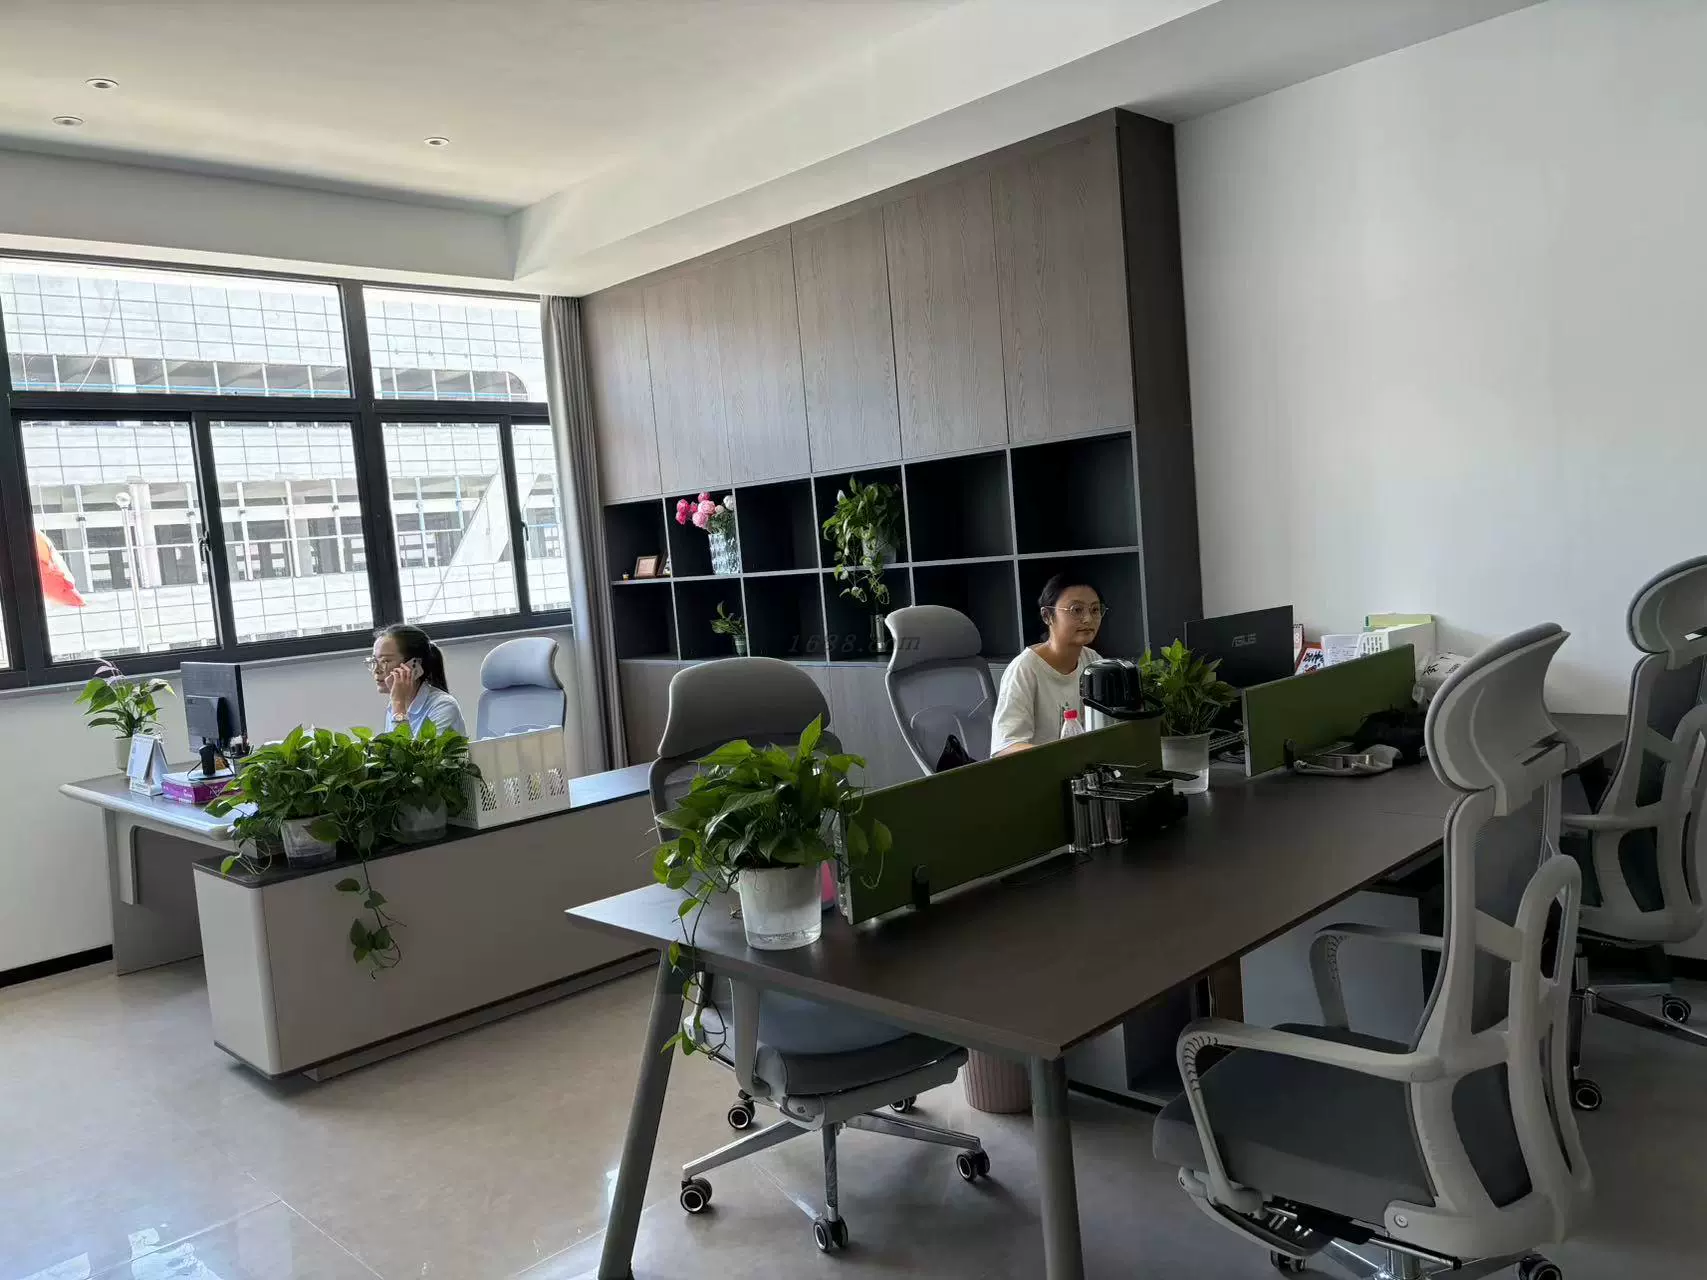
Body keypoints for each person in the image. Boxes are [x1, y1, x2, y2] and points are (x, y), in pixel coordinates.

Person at [990, 574, 1104, 756]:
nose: (1088, 619)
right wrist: (1061, 755)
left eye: (1095, 610)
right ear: (1047, 616)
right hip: (1041, 770)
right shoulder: (1025, 669)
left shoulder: (1093, 661)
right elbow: (1005, 748)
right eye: (1076, 610)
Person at [369, 624, 467, 737]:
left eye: (385, 661)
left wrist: (398, 706)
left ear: (413, 665)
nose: (376, 670)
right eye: (374, 661)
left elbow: (404, 749)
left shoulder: (443, 706)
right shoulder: (394, 704)